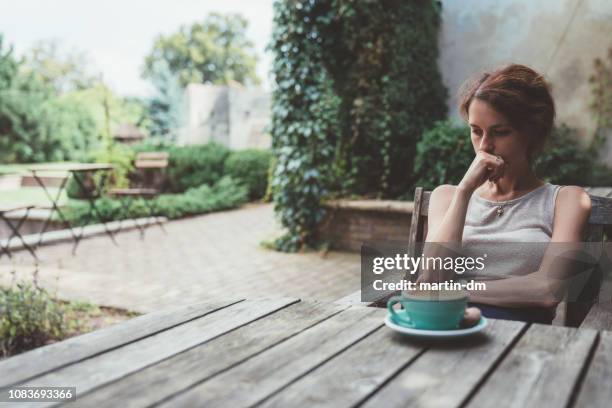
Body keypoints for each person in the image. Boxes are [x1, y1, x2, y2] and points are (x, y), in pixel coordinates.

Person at [421, 63, 592, 325]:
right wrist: (465, 192)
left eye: (500, 132)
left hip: (518, 340)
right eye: (476, 131)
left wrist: (458, 291)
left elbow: (548, 290)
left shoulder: (567, 201)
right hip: (445, 326)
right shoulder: (447, 197)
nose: (485, 146)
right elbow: (432, 280)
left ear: (531, 133)